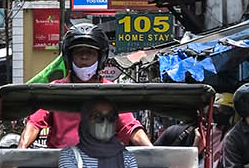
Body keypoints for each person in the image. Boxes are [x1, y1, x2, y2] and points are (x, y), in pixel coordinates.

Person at [19, 22, 152, 150]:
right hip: (61, 160)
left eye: (90, 53)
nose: (84, 57)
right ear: (69, 57)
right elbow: (34, 123)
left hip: (101, 160)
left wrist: (152, 151)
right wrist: (21, 149)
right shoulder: (55, 90)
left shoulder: (111, 91)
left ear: (101, 57)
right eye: (79, 52)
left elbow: (130, 127)